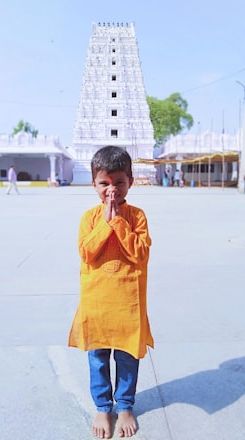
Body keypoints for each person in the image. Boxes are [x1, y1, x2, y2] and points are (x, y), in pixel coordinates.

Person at [68, 146, 154, 439]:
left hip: (128, 305)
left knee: (128, 358)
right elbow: (86, 253)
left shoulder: (137, 216)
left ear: (130, 181)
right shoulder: (89, 218)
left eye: (119, 182)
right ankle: (104, 407)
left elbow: (140, 253)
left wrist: (118, 220)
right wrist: (106, 221)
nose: (112, 189)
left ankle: (126, 405)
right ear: (93, 184)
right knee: (98, 359)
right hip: (97, 304)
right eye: (104, 183)